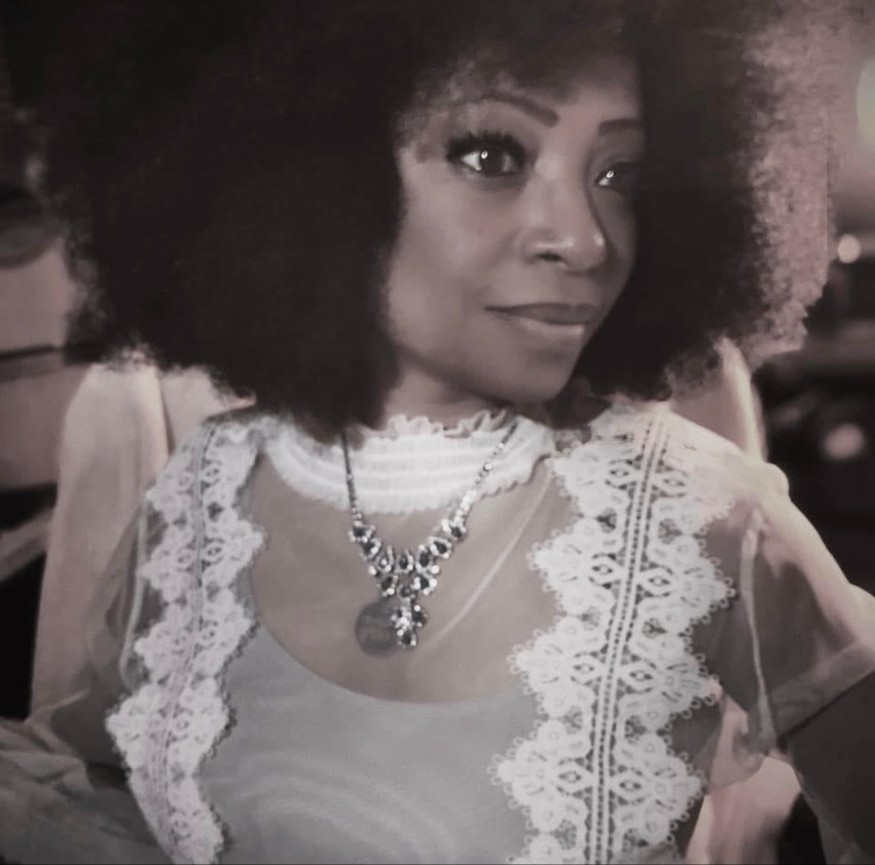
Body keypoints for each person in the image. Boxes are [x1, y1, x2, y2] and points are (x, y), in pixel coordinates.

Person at [1, 2, 872, 863]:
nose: (584, 239)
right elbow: (80, 788)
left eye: (619, 174)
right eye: (492, 156)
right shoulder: (203, 491)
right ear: (316, 172)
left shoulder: (702, 513)